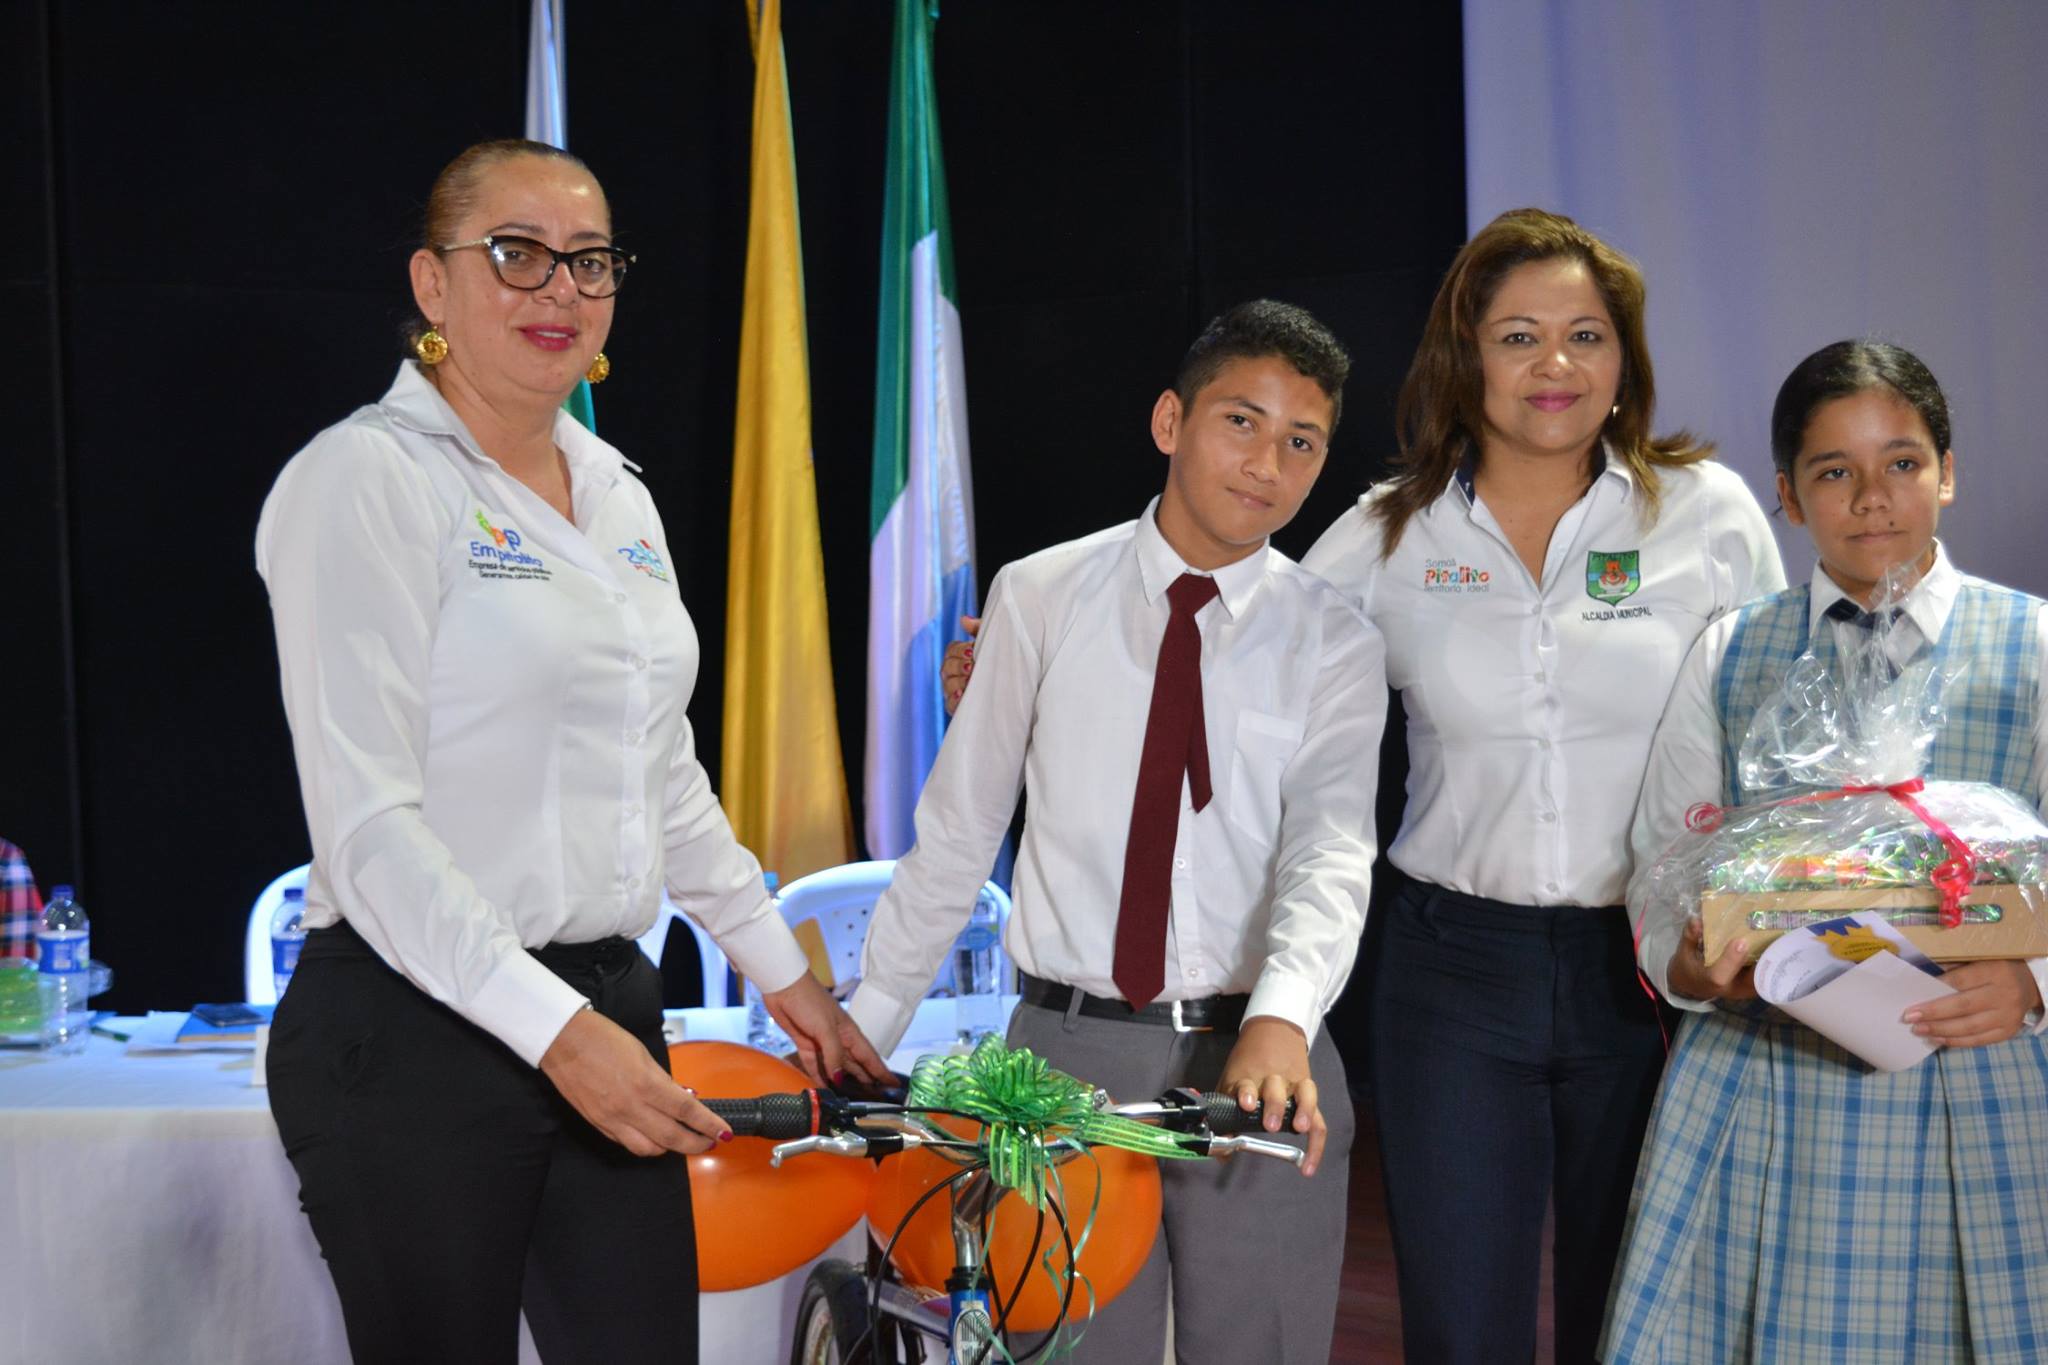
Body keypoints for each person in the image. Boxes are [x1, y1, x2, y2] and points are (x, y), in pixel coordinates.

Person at [256, 139, 886, 1365]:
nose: (561, 290)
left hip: (606, 1000)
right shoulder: (363, 480)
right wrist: (553, 1034)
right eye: (518, 255)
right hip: (414, 1031)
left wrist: (786, 977)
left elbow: (665, 780)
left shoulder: (614, 492)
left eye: (589, 262)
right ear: (432, 287)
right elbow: (369, 830)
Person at [852, 300, 1386, 1363]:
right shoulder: (1042, 595)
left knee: (1262, 1344)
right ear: (1167, 422)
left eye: (1301, 442)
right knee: (1070, 1349)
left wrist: (1281, 1015)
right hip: (1063, 1052)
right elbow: (958, 831)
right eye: (1240, 422)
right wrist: (866, 1025)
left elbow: (1328, 851)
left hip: (1257, 1055)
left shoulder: (1332, 637)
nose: (1266, 464)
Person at [1297, 208, 1786, 1362]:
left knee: (1636, 1315)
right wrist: (1039, 653)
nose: (1554, 365)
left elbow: (1775, 733)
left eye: (1585, 335)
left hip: (1656, 963)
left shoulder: (1703, 513)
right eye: (1517, 336)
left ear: (1624, 364)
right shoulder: (1385, 535)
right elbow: (1239, 668)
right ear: (1464, 358)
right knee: (1462, 1319)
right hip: (1449, 969)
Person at [1604, 340, 2048, 1363]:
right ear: (1787, 499)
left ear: (1946, 470)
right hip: (1767, 1070)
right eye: (1831, 472)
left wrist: (2027, 981)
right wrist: (1686, 958)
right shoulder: (1730, 648)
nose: (1871, 497)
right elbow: (1661, 857)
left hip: (1976, 1069)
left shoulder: (2029, 646)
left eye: (1899, 462)